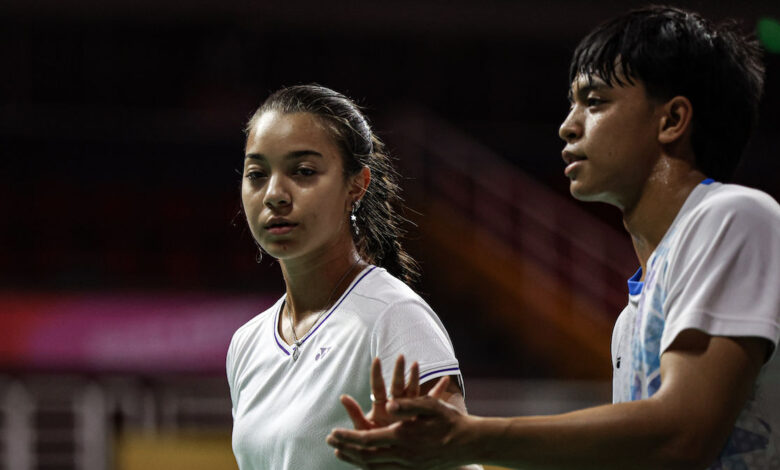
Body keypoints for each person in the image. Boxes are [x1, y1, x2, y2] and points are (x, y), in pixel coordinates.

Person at [327, 6, 780, 469]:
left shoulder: (736, 216)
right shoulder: (630, 320)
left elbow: (683, 436)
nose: (567, 124)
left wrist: (470, 437)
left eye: (595, 101)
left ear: (672, 119)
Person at [225, 84, 476, 470]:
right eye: (256, 174)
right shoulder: (247, 344)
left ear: (356, 185)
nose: (274, 194)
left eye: (304, 171)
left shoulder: (394, 317)